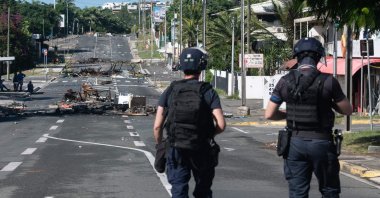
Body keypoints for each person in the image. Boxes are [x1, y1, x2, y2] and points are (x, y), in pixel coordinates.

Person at [264, 37, 352, 198]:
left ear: (296, 57)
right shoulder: (328, 82)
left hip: (295, 143)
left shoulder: (285, 81)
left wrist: (288, 115)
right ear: (319, 57)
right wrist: (330, 103)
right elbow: (347, 110)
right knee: (329, 191)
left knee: (298, 193)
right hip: (322, 143)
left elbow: (269, 114)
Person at [153, 47, 226, 198]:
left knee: (179, 189)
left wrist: (160, 144)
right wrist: (206, 135)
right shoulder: (208, 91)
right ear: (202, 66)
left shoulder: (171, 90)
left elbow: (157, 126)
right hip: (202, 147)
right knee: (203, 190)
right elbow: (221, 124)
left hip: (176, 147)